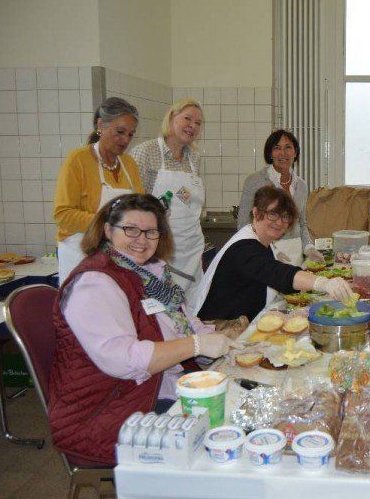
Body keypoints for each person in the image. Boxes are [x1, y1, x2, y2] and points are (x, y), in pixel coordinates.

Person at [49, 194, 241, 466]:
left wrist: (222, 341)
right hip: (109, 412)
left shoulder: (149, 273)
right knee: (224, 440)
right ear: (107, 230)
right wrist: (196, 345)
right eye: (131, 229)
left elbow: (185, 323)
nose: (141, 240)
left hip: (153, 389)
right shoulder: (94, 283)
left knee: (239, 405)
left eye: (151, 232)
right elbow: (124, 360)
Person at [193, 186, 352, 320]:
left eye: (285, 216)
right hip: (217, 330)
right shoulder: (243, 248)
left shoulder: (262, 242)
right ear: (256, 213)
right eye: (273, 214)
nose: (279, 222)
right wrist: (323, 283)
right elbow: (277, 273)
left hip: (242, 321)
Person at [54, 97, 145, 284]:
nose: (125, 140)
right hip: (81, 254)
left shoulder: (129, 164)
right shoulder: (78, 160)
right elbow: (63, 214)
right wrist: (108, 225)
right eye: (120, 132)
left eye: (131, 134)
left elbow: (140, 207)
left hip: (119, 255)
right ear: (101, 125)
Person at [131, 98, 205, 303]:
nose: (192, 126)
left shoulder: (194, 158)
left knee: (190, 308)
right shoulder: (146, 152)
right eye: (187, 118)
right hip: (158, 249)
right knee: (160, 307)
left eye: (198, 123)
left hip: (191, 249)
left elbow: (186, 199)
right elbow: (132, 206)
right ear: (171, 118)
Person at [236, 129, 321, 266]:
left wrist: (309, 248)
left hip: (295, 253)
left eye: (288, 147)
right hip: (264, 253)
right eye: (277, 148)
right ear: (270, 153)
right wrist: (271, 251)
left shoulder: (302, 186)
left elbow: (302, 223)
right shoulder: (254, 181)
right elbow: (243, 224)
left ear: (295, 152)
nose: (283, 153)